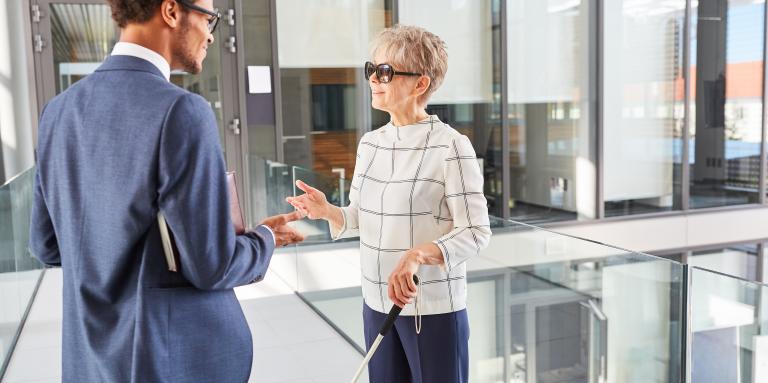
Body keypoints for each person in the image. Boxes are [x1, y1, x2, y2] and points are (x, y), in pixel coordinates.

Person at [28, 0, 303, 381]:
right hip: (167, 360)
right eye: (209, 18)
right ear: (171, 11)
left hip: (87, 362)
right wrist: (266, 238)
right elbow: (212, 265)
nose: (210, 33)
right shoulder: (182, 112)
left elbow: (46, 245)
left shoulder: (57, 111)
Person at [286, 25, 491, 383]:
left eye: (385, 72)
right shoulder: (370, 144)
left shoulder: (451, 146)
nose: (373, 80)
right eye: (372, 69)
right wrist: (328, 211)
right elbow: (362, 216)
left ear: (420, 84)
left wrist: (417, 255)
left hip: (432, 312)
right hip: (375, 302)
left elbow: (475, 233)